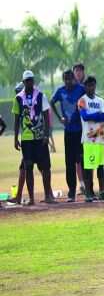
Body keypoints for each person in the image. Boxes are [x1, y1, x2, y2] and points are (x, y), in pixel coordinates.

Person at [12, 70, 56, 205]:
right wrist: (15, 138)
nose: (29, 82)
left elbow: (46, 115)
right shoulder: (18, 98)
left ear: (33, 81)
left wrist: (46, 134)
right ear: (24, 82)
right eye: (27, 80)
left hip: (40, 137)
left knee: (46, 167)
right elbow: (17, 119)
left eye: (31, 80)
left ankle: (48, 196)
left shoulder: (41, 95)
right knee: (28, 167)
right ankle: (31, 198)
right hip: (26, 139)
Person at [50, 69, 85, 201]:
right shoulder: (60, 91)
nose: (68, 81)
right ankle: (71, 192)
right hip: (68, 132)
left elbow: (90, 98)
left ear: (74, 79)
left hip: (80, 131)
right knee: (69, 162)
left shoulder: (80, 89)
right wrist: (60, 117)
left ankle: (87, 189)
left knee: (82, 160)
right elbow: (52, 102)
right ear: (63, 79)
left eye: (70, 79)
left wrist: (84, 115)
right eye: (66, 79)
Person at [78, 76, 104, 201]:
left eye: (92, 85)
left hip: (100, 139)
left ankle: (102, 191)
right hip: (88, 139)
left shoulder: (100, 101)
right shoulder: (82, 100)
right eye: (88, 85)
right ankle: (88, 193)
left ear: (95, 86)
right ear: (85, 87)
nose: (91, 88)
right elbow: (85, 117)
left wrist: (95, 115)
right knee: (88, 167)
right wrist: (97, 115)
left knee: (100, 166)